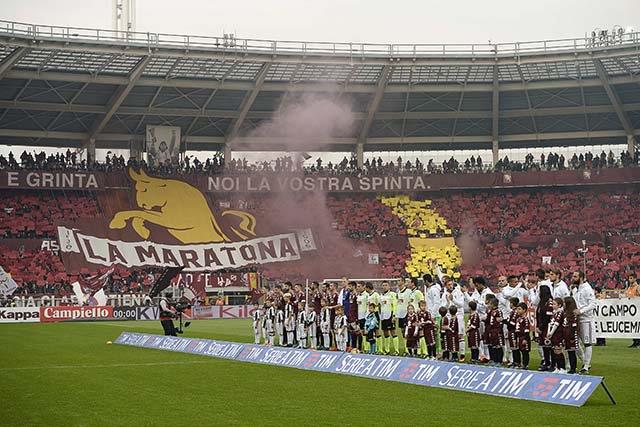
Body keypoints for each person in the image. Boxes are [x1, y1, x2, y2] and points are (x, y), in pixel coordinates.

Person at [570, 270, 597, 372]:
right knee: (575, 343)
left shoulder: (587, 289)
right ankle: (585, 362)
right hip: (576, 319)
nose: (573, 278)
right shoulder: (575, 289)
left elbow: (593, 304)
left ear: (581, 278)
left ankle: (586, 366)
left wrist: (581, 311)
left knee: (587, 343)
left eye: (575, 276)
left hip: (586, 320)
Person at [535, 285, 554, 371]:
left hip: (547, 327)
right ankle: (546, 363)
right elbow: (538, 315)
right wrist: (537, 326)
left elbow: (548, 317)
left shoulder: (549, 302)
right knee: (544, 346)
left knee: (549, 346)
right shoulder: (541, 302)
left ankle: (553, 364)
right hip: (541, 327)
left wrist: (541, 327)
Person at [547, 298, 566, 373]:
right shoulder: (554, 313)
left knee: (558, 350)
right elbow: (550, 323)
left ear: (559, 305)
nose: (553, 305)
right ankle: (557, 367)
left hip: (558, 334)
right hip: (554, 335)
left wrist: (551, 333)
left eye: (554, 304)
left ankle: (563, 368)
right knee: (555, 351)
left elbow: (556, 324)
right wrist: (548, 332)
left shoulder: (560, 313)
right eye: (552, 304)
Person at [379, 281, 398, 355]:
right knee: (385, 333)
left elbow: (395, 305)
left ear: (389, 286)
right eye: (383, 285)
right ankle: (387, 350)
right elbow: (380, 306)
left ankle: (396, 351)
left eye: (386, 285)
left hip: (390, 315)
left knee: (393, 332)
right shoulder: (381, 295)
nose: (384, 287)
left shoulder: (392, 294)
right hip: (383, 316)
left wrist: (394, 315)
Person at [563, 296, 579, 374]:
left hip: (572, 335)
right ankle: (570, 367)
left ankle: (573, 368)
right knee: (569, 352)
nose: (563, 304)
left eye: (564, 302)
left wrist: (572, 336)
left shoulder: (573, 313)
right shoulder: (565, 312)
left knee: (572, 352)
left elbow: (574, 326)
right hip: (566, 335)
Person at [396, 278, 412, 351]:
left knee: (408, 331)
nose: (398, 282)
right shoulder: (398, 291)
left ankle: (411, 348)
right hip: (400, 314)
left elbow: (410, 302)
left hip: (406, 314)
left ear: (403, 282)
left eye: (399, 280)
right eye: (397, 281)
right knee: (402, 331)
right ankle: (406, 349)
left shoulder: (408, 291)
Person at [514, 302, 531, 369]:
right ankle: (519, 364)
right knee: (519, 350)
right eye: (517, 309)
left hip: (524, 337)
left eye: (519, 309)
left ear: (524, 310)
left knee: (525, 352)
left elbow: (527, 329)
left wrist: (525, 339)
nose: (517, 311)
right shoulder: (518, 319)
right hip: (519, 337)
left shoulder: (525, 319)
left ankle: (525, 365)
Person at [625, 273, 640, 347]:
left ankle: (638, 342)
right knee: (632, 326)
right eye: (629, 278)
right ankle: (635, 341)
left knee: (637, 325)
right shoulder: (628, 288)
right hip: (630, 310)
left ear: (635, 279)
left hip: (637, 309)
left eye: (631, 278)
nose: (630, 280)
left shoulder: (638, 287)